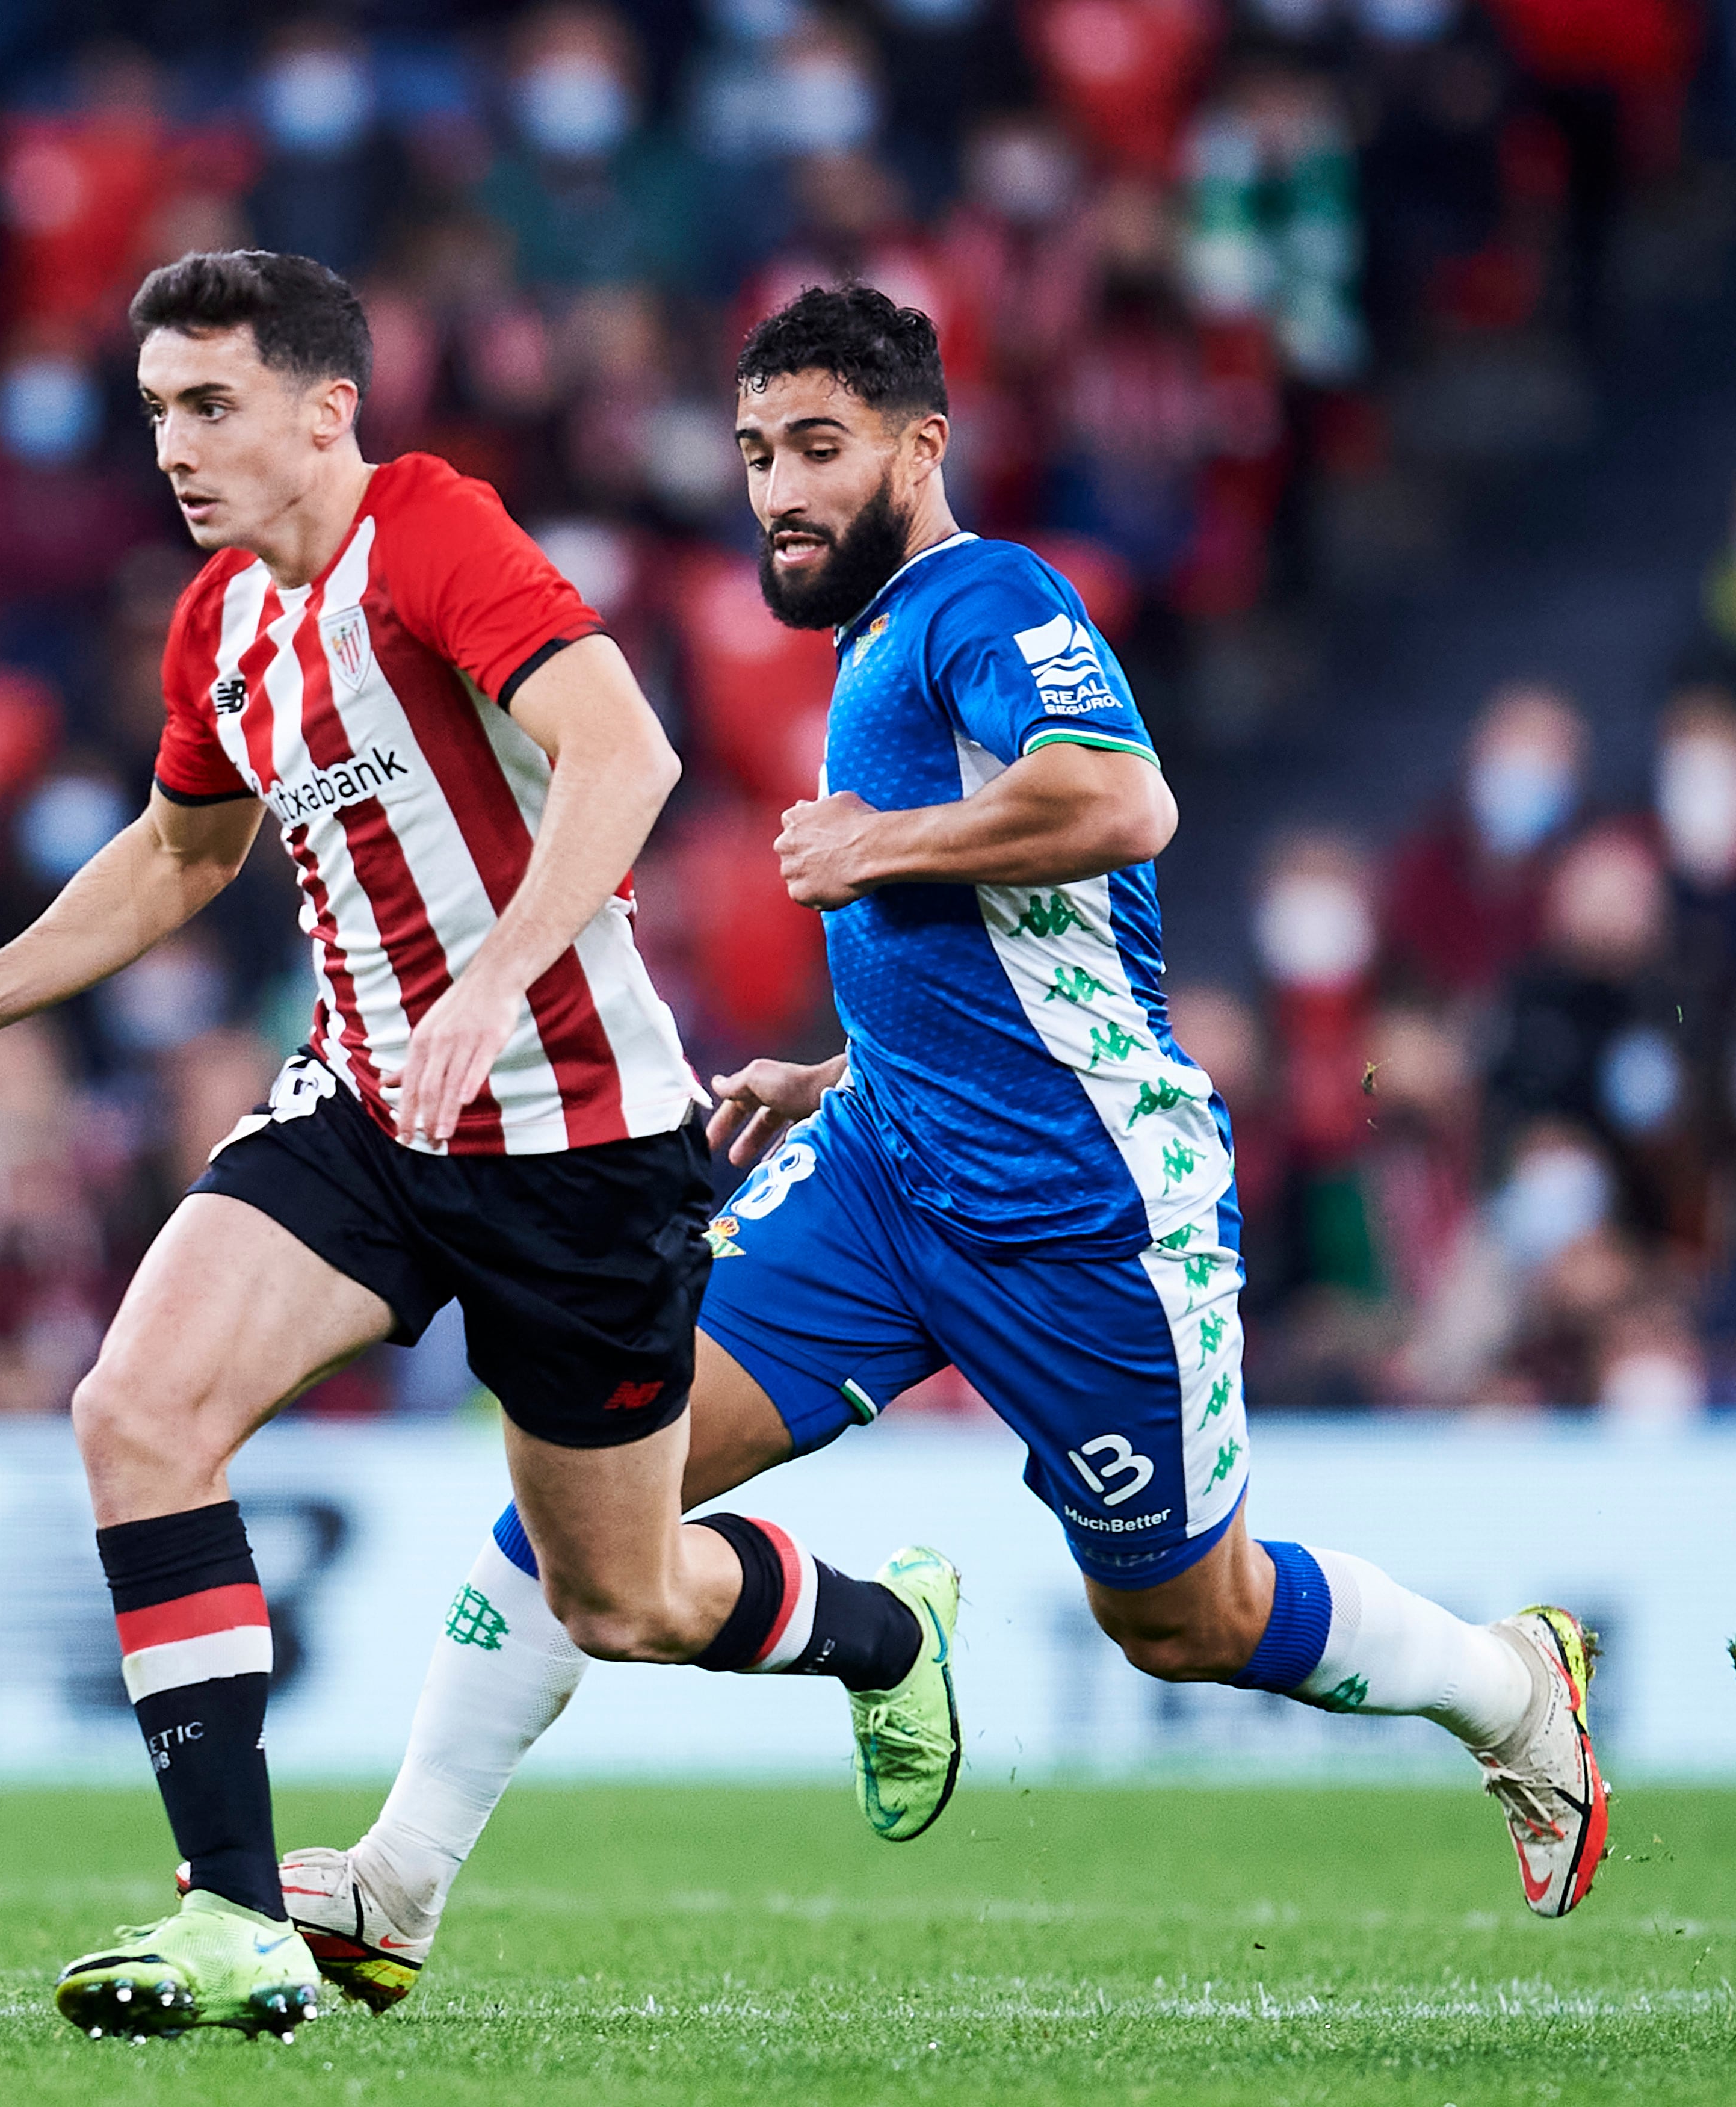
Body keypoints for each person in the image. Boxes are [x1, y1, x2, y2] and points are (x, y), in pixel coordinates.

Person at [275, 285, 1610, 2014]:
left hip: (1087, 1219)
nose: (779, 491)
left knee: (1185, 1623)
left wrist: (884, 842)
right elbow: (1023, 959)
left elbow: (1127, 804)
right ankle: (397, 1882)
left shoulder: (990, 597)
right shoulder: (875, 639)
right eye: (758, 454)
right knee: (599, 1469)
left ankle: (1508, 1690)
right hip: (889, 1170)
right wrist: (835, 1071)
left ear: (924, 447)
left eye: (819, 449)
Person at [0, 253, 959, 2042]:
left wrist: (499, 975)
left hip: (576, 1140)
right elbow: (183, 857)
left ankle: (884, 1637)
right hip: (366, 1110)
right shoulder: (216, 626)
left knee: (626, 1595)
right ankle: (237, 1919)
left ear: (327, 412)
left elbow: (625, 755)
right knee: (137, 1412)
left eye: (213, 406)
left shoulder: (429, 535)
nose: (175, 448)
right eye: (159, 412)